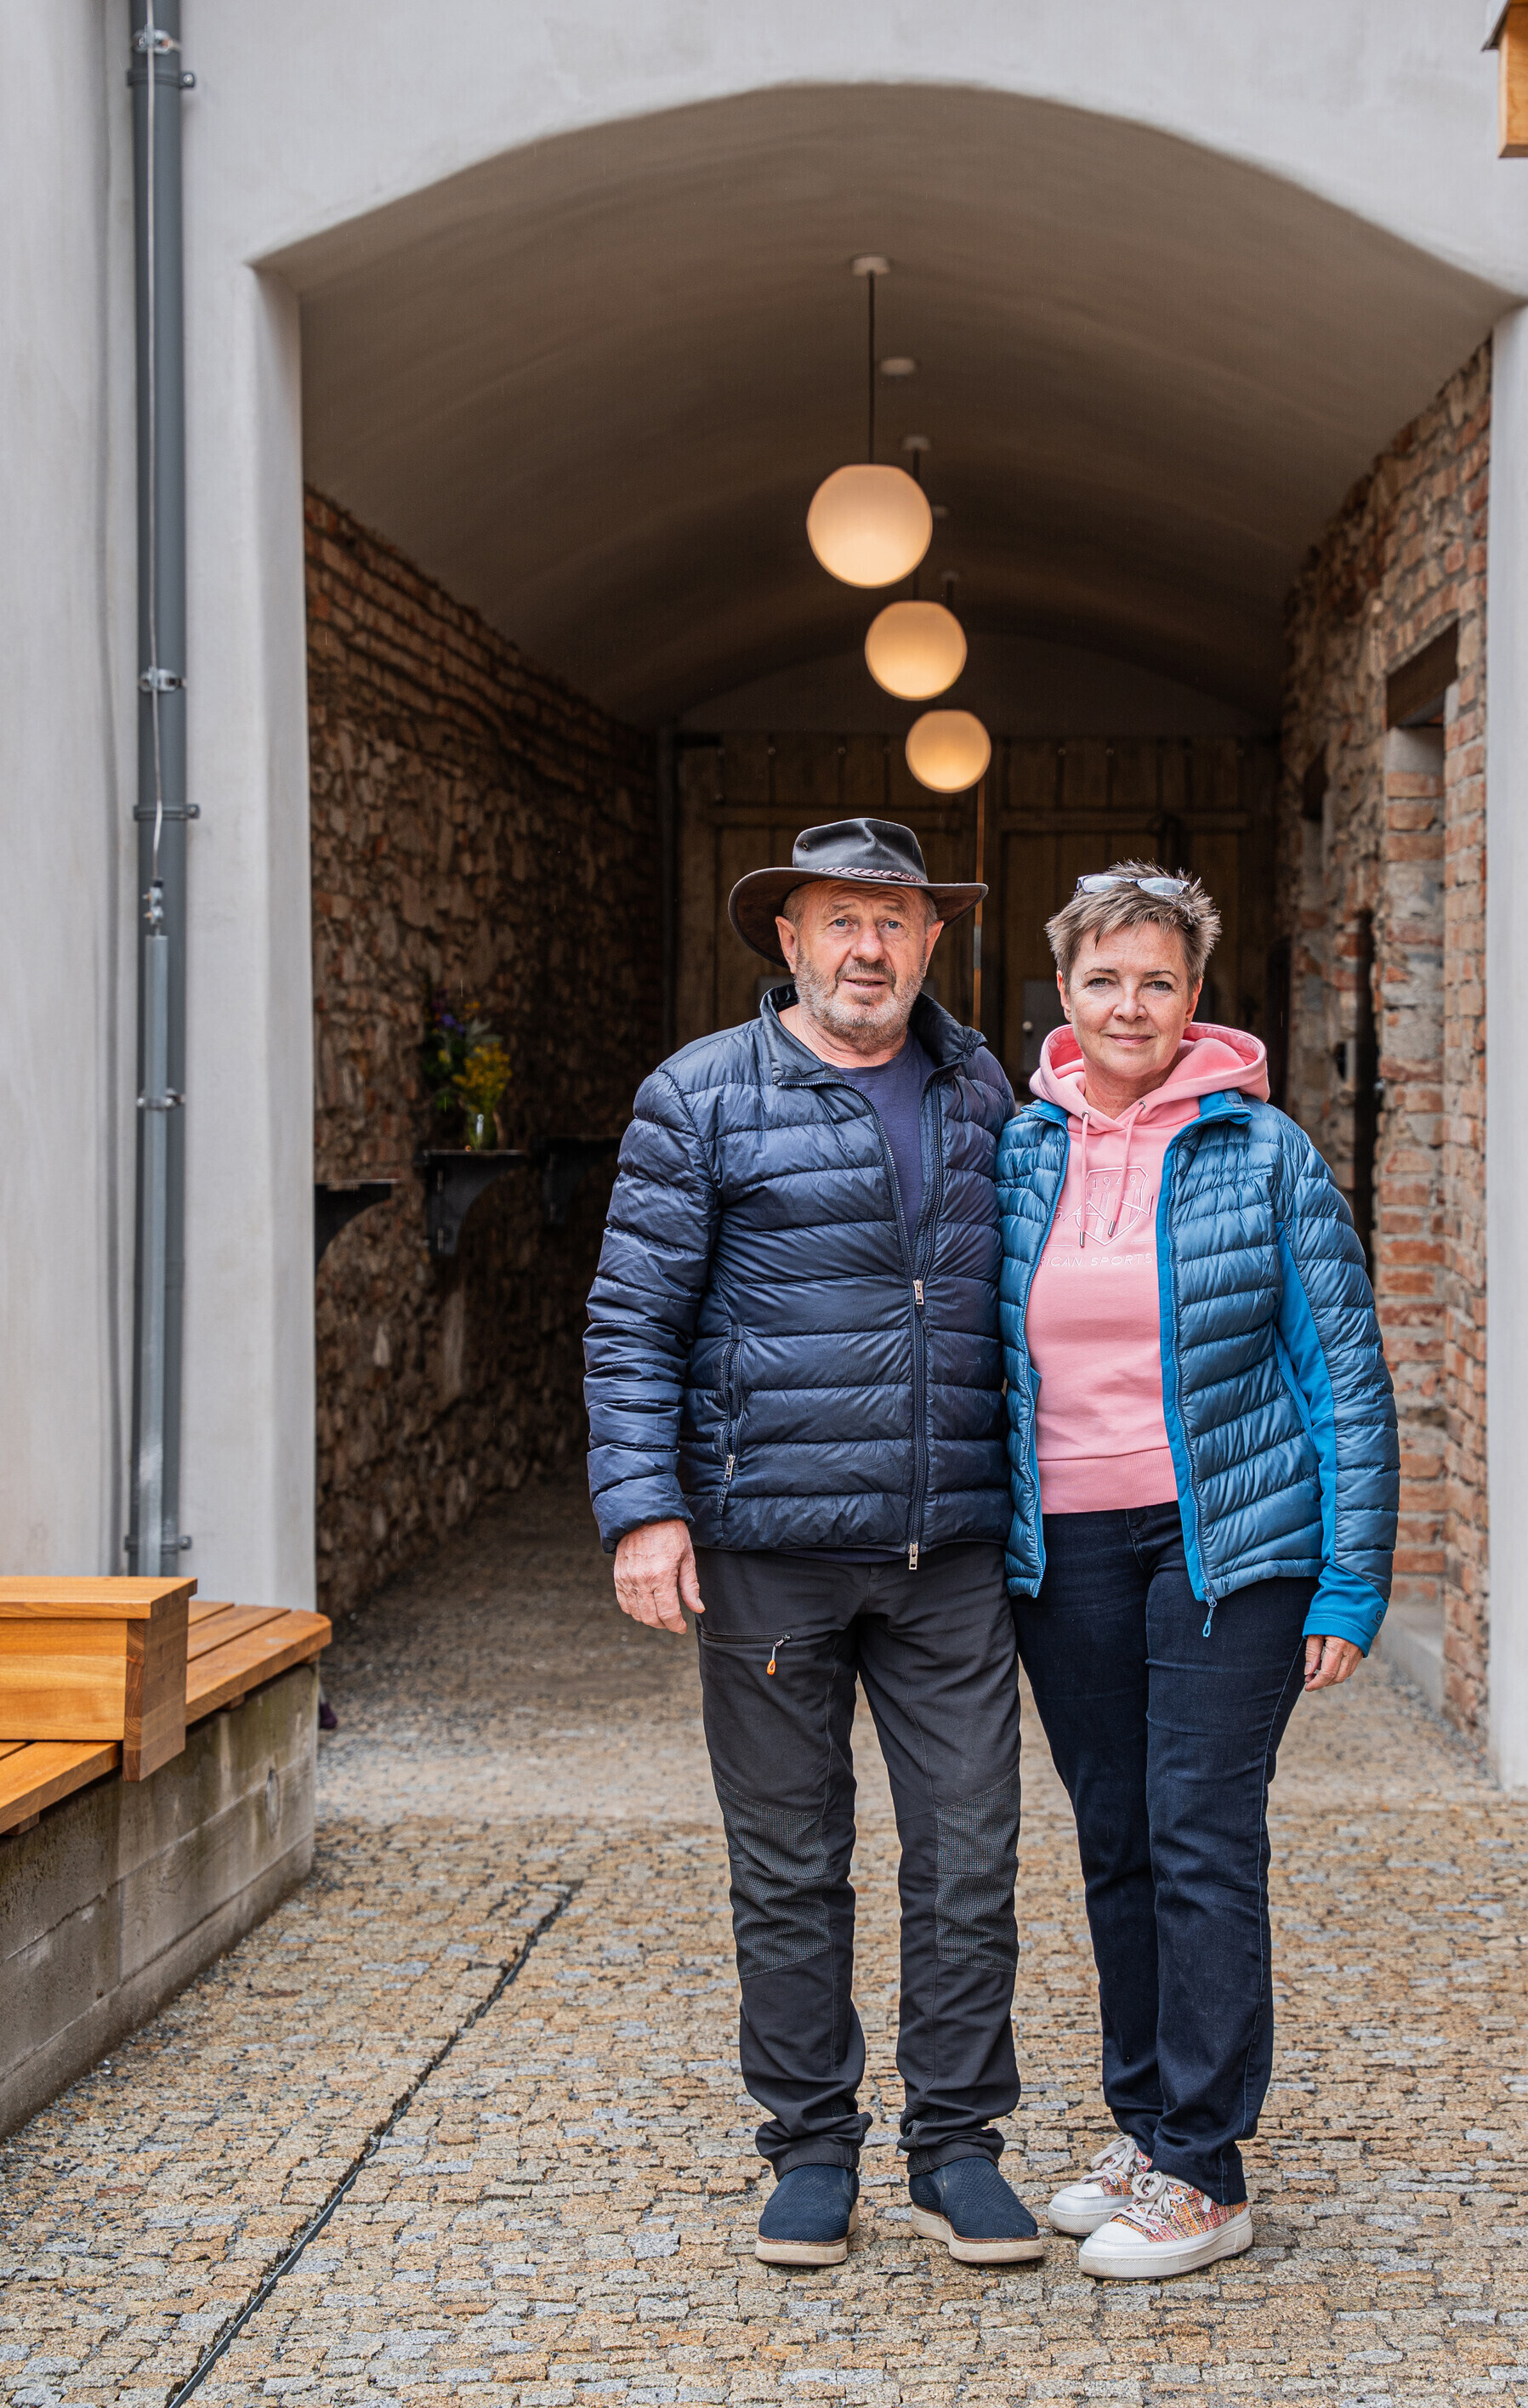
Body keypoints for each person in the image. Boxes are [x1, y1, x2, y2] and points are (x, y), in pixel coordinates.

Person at [584, 817, 1042, 2273]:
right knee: (787, 1862)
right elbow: (632, 1319)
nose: (867, 946)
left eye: (893, 920)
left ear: (932, 940)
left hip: (948, 1546)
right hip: (767, 1544)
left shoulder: (982, 1088)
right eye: (839, 919)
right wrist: (643, 1509)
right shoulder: (700, 1095)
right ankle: (809, 2147)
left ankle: (956, 2148)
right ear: (788, 941)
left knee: (968, 1854)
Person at [996, 860, 1398, 2281]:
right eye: (1103, 979)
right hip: (1066, 1550)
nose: (1129, 1005)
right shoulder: (1016, 1151)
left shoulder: (1264, 1151)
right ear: (1063, 992)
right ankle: (1146, 2126)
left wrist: (1350, 1577)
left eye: (1156, 981)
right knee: (1115, 1840)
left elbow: (1342, 1373)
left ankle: (1207, 2173)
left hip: (1231, 1543)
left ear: (1193, 997)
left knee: (1200, 1838)